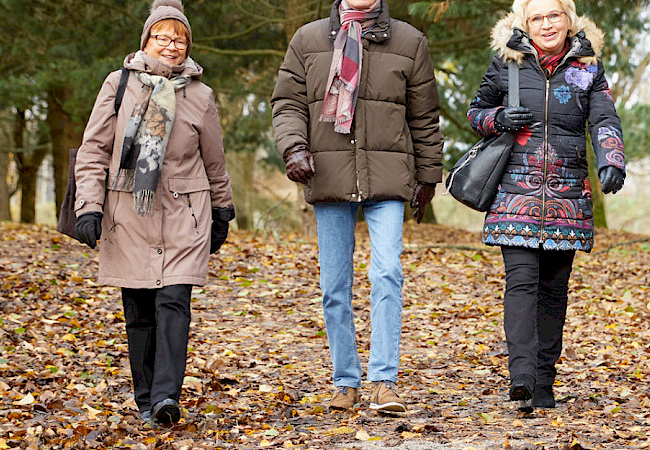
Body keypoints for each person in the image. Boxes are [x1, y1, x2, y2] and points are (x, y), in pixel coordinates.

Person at [271, 0, 444, 412]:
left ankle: (384, 381)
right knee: (335, 286)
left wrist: (429, 177)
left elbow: (424, 117)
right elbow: (287, 104)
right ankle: (345, 382)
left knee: (387, 273)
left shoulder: (410, 40)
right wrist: (294, 148)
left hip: (387, 176)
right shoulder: (308, 38)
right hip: (327, 173)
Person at [71, 0, 234, 427]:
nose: (171, 45)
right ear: (146, 40)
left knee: (174, 302)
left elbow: (214, 160)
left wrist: (222, 210)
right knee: (139, 309)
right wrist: (89, 206)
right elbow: (93, 151)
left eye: (179, 39)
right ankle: (145, 398)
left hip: (185, 214)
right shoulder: (118, 85)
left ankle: (165, 398)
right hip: (128, 213)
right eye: (162, 37)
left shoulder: (200, 95)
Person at [465, 0, 627, 413]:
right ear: (525, 23)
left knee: (554, 294)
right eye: (537, 17)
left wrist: (612, 159)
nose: (547, 24)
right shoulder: (507, 64)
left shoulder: (588, 67)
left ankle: (543, 383)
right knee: (521, 284)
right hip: (514, 195)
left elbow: (604, 118)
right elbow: (476, 112)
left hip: (567, 196)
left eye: (554, 15)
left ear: (569, 19)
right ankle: (521, 379)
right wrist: (499, 118)